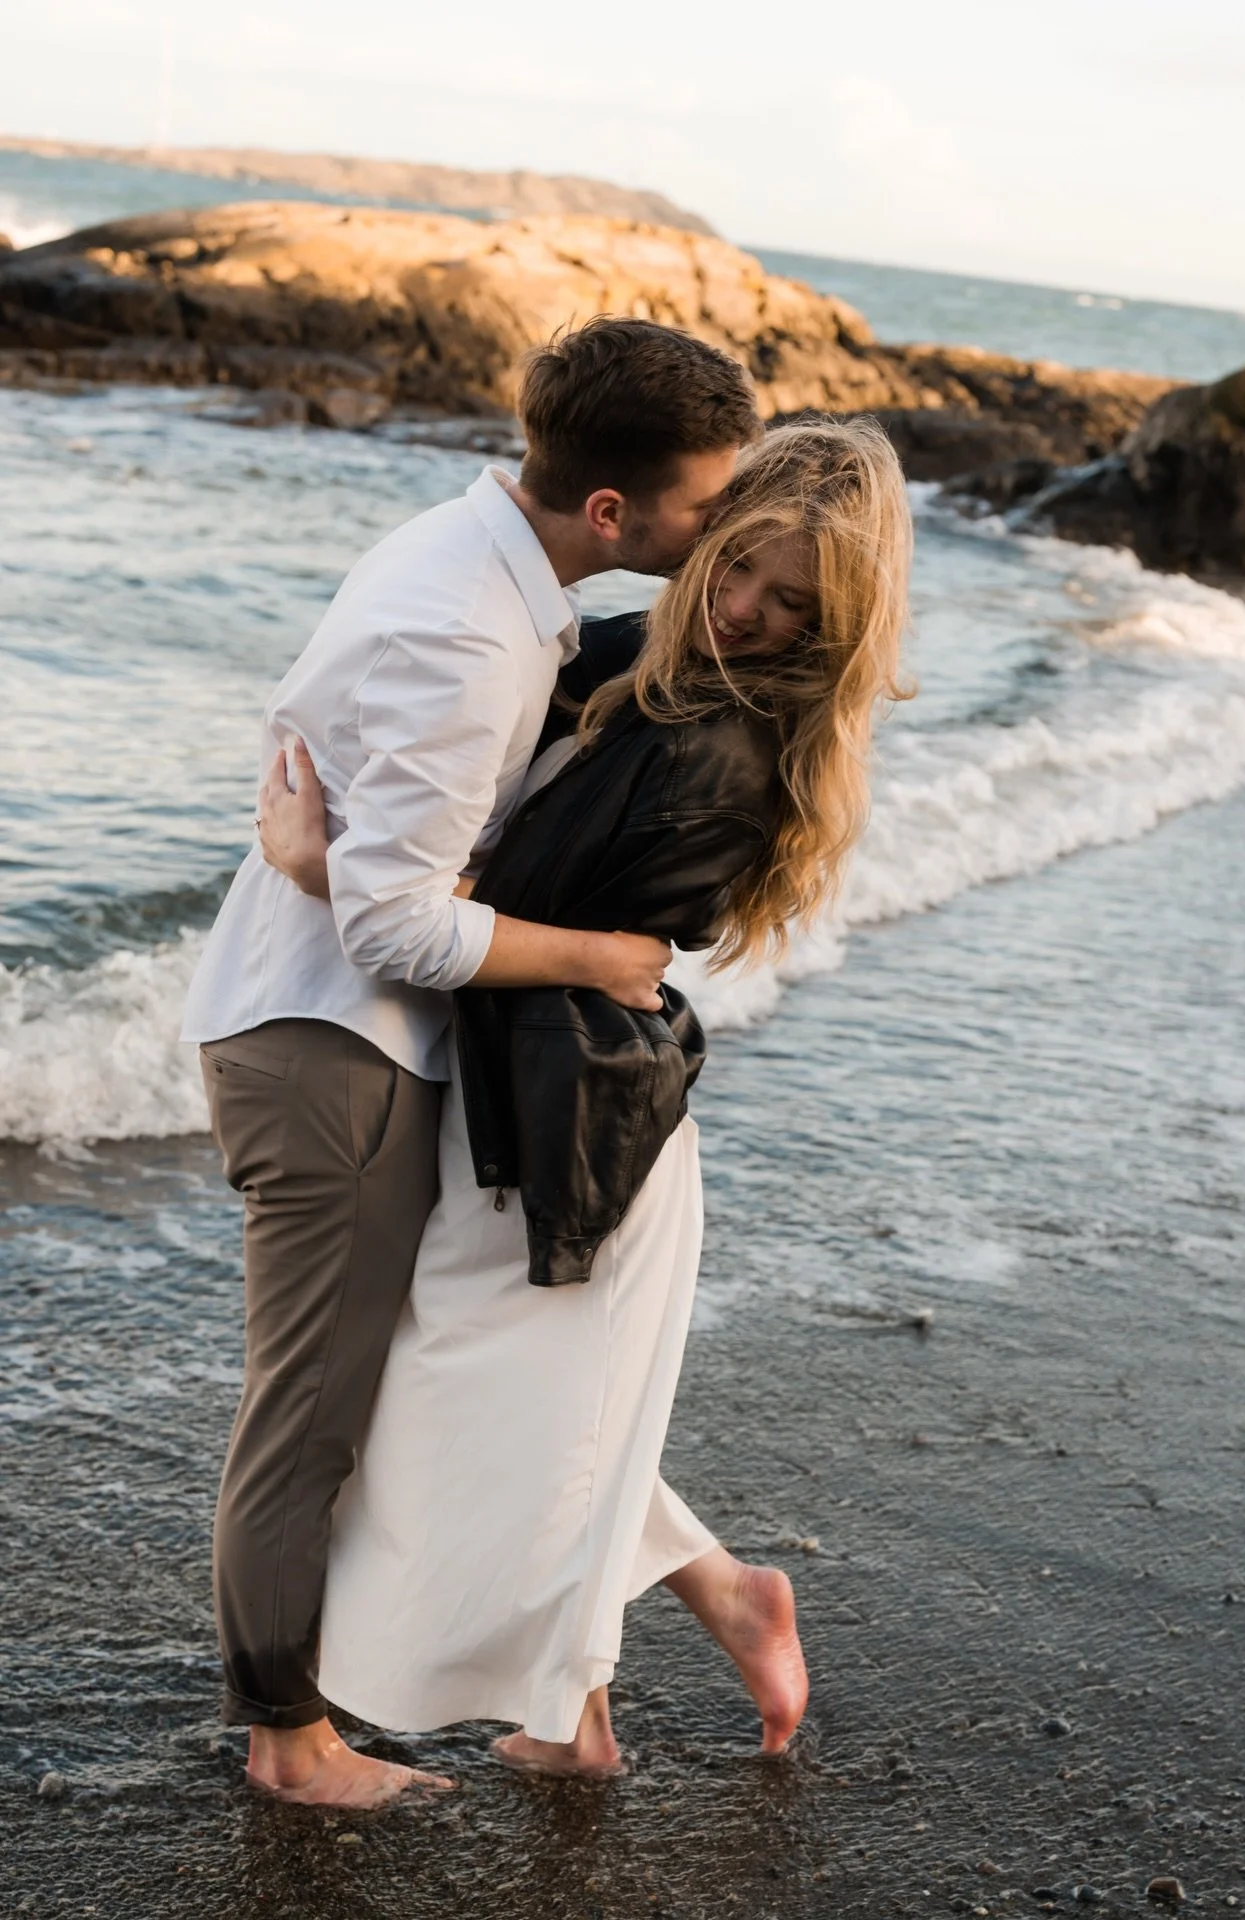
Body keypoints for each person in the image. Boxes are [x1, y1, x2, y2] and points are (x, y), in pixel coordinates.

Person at [255, 418, 913, 1787]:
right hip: (527, 1094)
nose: (745, 611)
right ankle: (638, 1670)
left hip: (581, 1131)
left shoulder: (724, 747)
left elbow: (479, 912)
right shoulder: (631, 656)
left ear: (836, 629)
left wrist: (326, 873)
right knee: (538, 1417)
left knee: (487, 1411)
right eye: (739, 566)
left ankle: (632, 1668)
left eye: (792, 605)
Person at [180, 316, 763, 1808]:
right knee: (315, 1411)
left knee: (424, 1386)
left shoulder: (479, 564)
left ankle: (705, 1586)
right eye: (710, 504)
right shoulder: (471, 631)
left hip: (349, 1031)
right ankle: (287, 1741)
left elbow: (391, 855)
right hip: (337, 1046)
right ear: (614, 513)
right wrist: (596, 959)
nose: (727, 528)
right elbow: (395, 923)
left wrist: (340, 869)